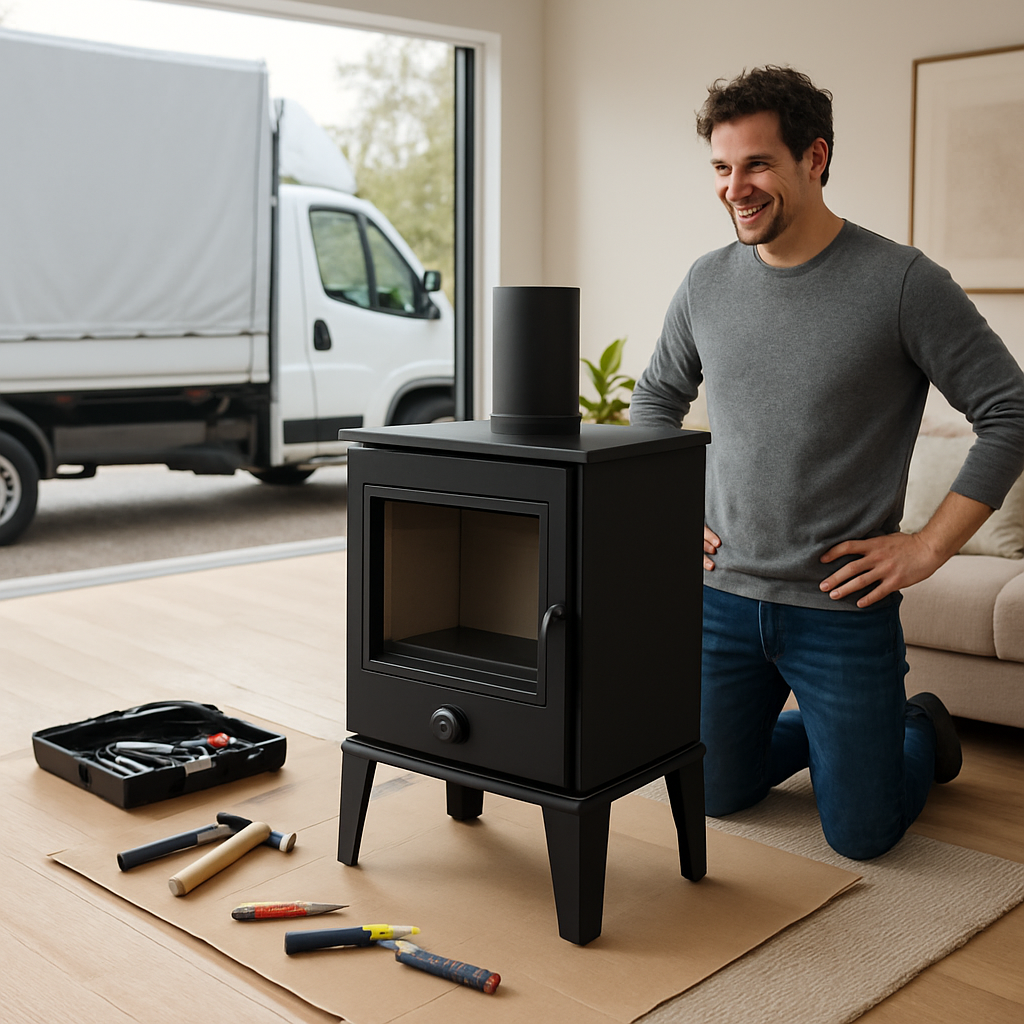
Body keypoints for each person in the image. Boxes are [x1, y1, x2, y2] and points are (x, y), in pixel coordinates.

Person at [629, 65, 1024, 860]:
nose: (735, 187)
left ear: (815, 157)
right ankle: (840, 736)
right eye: (721, 167)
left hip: (841, 610)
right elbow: (651, 405)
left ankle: (910, 725)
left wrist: (928, 547)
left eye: (757, 164)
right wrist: (669, 512)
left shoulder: (902, 282)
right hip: (723, 600)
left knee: (863, 834)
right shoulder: (706, 283)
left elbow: (1009, 410)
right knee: (711, 793)